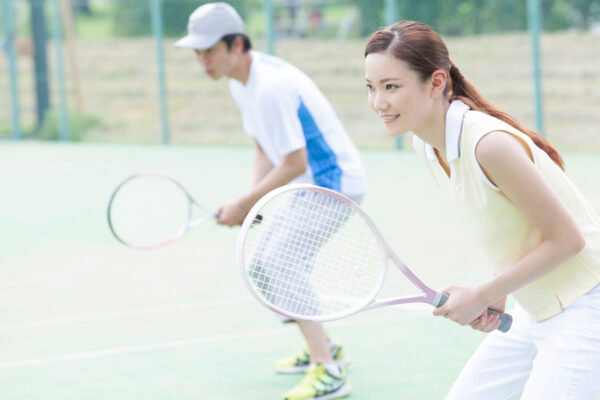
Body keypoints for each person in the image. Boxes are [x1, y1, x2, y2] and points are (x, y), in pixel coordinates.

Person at [364, 21, 600, 400]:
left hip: (585, 305)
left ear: (437, 82)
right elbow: (510, 226)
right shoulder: (425, 144)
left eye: (391, 86)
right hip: (534, 305)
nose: (378, 103)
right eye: (371, 88)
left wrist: (482, 292)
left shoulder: (488, 144)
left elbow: (568, 240)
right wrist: (499, 290)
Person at [175, 3, 367, 400]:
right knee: (262, 266)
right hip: (305, 186)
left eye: (209, 50)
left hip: (334, 184)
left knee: (281, 263)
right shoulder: (240, 81)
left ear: (237, 44)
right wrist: (252, 204)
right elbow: (263, 147)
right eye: (197, 52)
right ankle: (325, 347)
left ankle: (329, 371)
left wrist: (244, 204)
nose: (202, 60)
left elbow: (294, 161)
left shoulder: (271, 87)